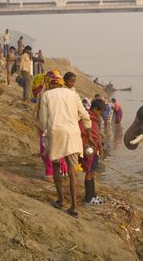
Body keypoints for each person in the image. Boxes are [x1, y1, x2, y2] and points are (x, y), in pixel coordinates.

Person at [38, 70, 92, 218]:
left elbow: (43, 120)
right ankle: (74, 206)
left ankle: (61, 200)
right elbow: (85, 116)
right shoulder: (73, 94)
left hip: (56, 134)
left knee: (56, 166)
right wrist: (88, 134)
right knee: (72, 170)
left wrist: (45, 134)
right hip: (73, 134)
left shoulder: (46, 95)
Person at [79, 99, 105, 205]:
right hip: (90, 150)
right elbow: (84, 134)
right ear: (94, 109)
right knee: (89, 173)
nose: (100, 115)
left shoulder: (93, 119)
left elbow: (96, 136)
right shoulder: (88, 119)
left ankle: (93, 195)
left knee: (92, 173)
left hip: (94, 150)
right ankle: (88, 199)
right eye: (100, 112)